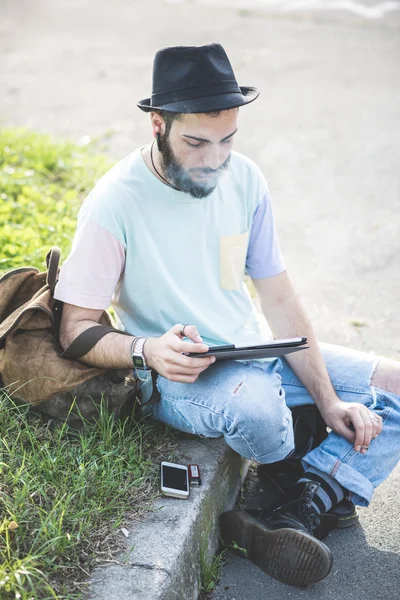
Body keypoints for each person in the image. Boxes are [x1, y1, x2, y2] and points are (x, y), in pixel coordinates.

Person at [54, 42, 400, 587]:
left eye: (227, 140)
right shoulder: (114, 202)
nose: (214, 158)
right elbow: (75, 329)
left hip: (256, 351)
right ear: (157, 127)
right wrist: (146, 350)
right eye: (196, 142)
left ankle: (306, 496)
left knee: (396, 383)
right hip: (182, 377)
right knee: (259, 413)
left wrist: (331, 398)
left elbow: (280, 299)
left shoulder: (245, 180)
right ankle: (306, 481)